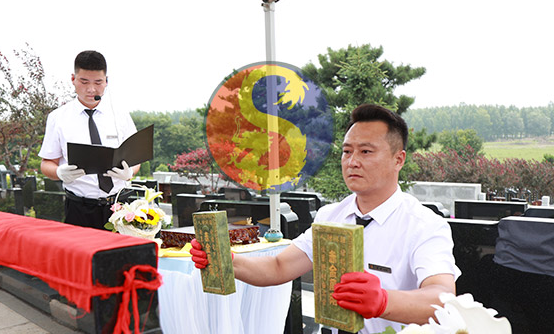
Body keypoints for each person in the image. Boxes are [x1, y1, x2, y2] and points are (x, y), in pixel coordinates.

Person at [191, 103, 460, 334]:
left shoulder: (424, 224)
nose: (352, 161)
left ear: (398, 159)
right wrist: (226, 260)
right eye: (347, 151)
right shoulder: (331, 215)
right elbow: (278, 267)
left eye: (366, 151)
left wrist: (382, 301)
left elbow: (442, 298)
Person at [39, 50, 140, 230]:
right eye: (84, 82)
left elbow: (136, 158)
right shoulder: (58, 118)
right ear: (73, 79)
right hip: (79, 208)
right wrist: (60, 172)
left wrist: (130, 172)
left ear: (106, 81)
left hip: (119, 206)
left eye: (98, 82)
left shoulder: (120, 115)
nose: (91, 89)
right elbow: (47, 163)